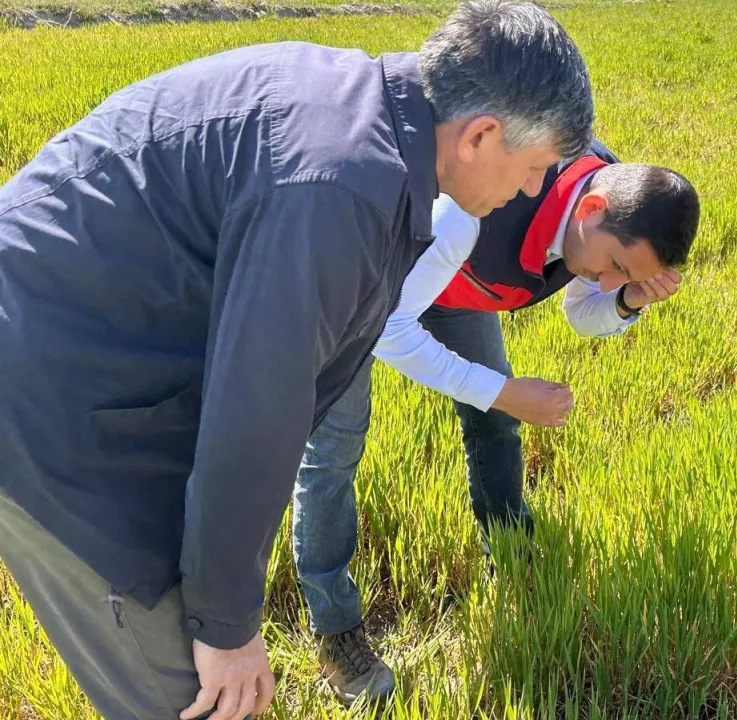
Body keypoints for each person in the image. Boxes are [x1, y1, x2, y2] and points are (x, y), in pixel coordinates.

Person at [0, 2, 594, 718]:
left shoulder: (363, 119)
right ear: (481, 136)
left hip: (95, 357)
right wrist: (225, 625)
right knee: (198, 697)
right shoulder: (340, 188)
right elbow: (257, 409)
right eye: (534, 169)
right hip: (49, 397)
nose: (530, 191)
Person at [292, 139, 700, 703]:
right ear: (591, 210)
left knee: (494, 419)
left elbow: (583, 313)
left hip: (452, 274)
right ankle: (336, 630)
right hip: (357, 273)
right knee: (334, 450)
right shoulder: (473, 209)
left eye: (623, 275)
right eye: (617, 267)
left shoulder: (606, 205)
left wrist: (628, 299)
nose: (608, 281)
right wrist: (505, 391)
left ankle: (510, 554)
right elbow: (387, 328)